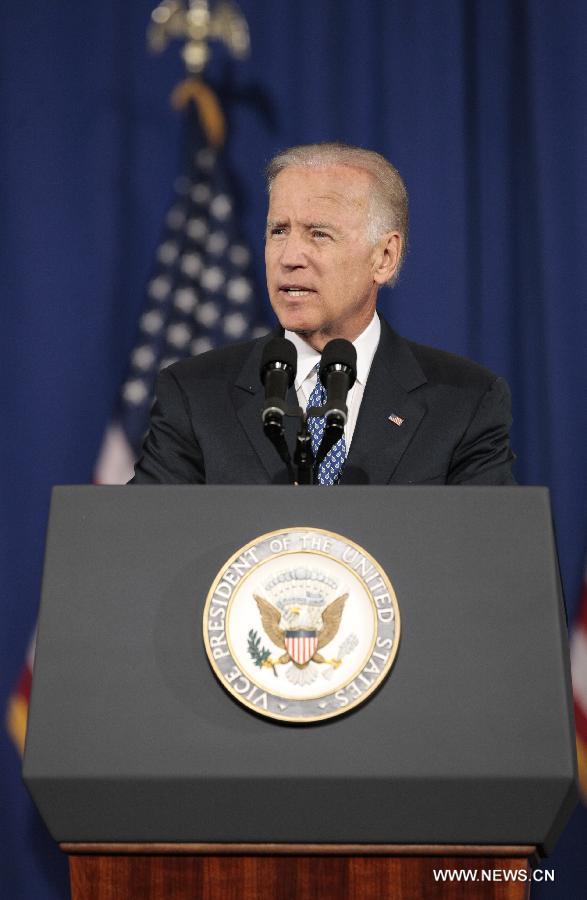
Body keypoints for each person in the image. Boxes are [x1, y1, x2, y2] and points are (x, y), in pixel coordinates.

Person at [130, 142, 515, 486]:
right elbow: (143, 543)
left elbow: (489, 555)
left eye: (318, 234)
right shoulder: (194, 395)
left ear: (384, 257)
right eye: (278, 231)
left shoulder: (464, 402)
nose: (290, 258)